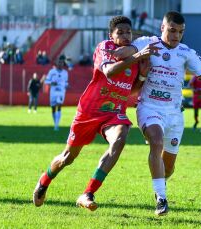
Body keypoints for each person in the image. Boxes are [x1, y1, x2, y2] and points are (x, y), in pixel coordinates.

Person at [33, 16, 160, 210]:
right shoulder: (105, 48)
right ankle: (44, 181)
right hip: (89, 112)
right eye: (121, 32)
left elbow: (131, 89)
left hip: (113, 113)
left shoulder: (135, 55)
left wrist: (142, 74)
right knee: (68, 157)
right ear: (111, 35)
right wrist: (137, 56)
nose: (126, 36)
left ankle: (88, 193)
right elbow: (109, 72)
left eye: (128, 32)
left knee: (120, 138)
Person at [108, 11, 201, 216]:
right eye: (172, 30)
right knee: (155, 141)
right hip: (149, 107)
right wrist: (138, 53)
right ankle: (162, 199)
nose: (176, 36)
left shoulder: (186, 52)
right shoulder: (147, 42)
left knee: (168, 168)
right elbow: (119, 54)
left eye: (180, 32)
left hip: (174, 114)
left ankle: (159, 187)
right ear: (162, 28)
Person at [44, 59, 69, 131]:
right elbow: (46, 81)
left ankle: (56, 125)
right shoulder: (52, 72)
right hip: (53, 92)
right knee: (53, 108)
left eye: (62, 63)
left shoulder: (65, 73)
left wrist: (67, 85)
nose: (60, 64)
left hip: (61, 92)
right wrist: (52, 83)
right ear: (56, 64)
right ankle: (55, 123)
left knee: (59, 105)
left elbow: (66, 82)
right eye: (59, 63)